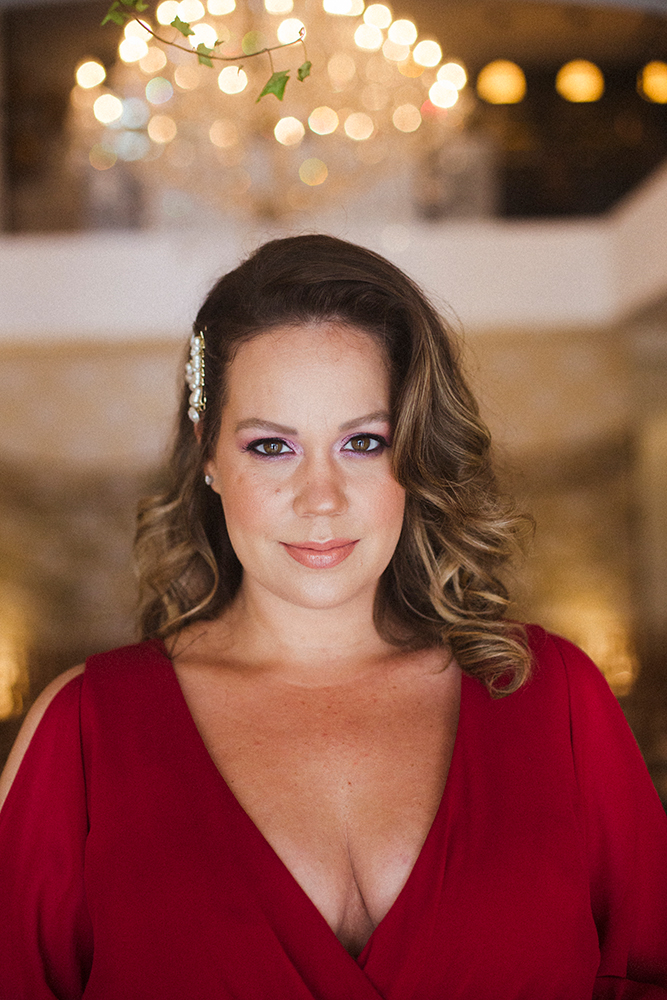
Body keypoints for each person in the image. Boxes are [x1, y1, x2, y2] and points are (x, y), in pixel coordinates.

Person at [0, 234, 666, 1000]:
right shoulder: (83, 735)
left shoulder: (556, 701)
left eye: (363, 442)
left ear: (416, 451)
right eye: (271, 447)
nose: (321, 499)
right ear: (208, 453)